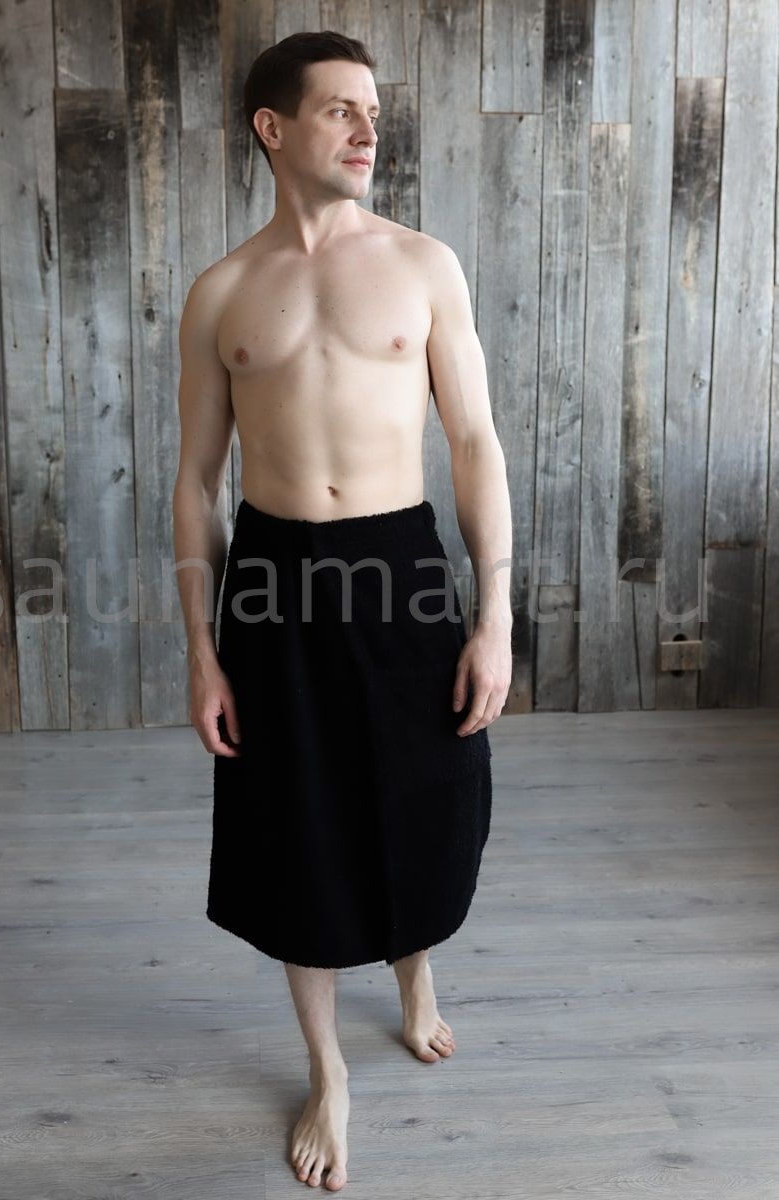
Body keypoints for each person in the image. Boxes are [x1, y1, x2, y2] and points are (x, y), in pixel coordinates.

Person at [173, 30, 512, 1193]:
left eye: (374, 110)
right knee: (295, 821)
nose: (370, 129)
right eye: (340, 110)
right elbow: (195, 482)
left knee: (426, 793)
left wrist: (495, 618)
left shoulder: (424, 266)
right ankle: (327, 1072)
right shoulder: (222, 292)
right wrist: (202, 652)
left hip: (398, 562)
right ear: (273, 129)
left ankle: (414, 976)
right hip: (274, 577)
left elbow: (474, 441)